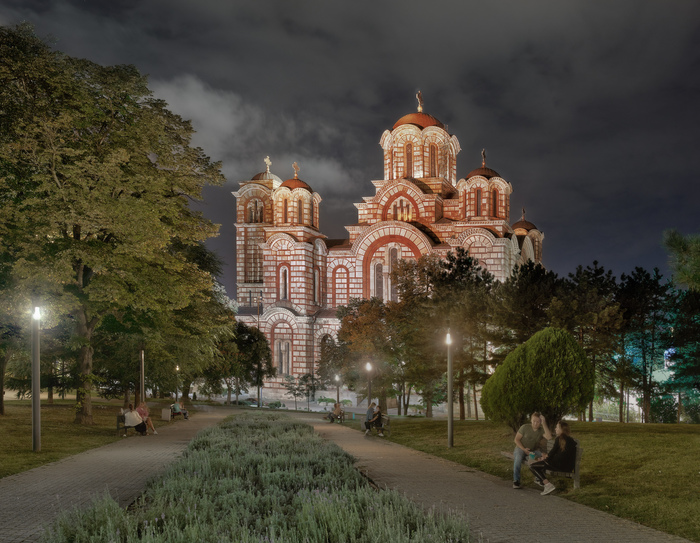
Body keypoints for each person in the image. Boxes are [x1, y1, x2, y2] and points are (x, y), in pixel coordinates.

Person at [529, 420, 577, 495]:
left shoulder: (559, 439)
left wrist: (544, 458)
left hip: (557, 466)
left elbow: (551, 454)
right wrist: (545, 458)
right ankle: (540, 481)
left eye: (557, 427)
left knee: (532, 466)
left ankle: (547, 484)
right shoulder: (570, 440)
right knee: (539, 464)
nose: (555, 429)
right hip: (567, 467)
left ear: (562, 429)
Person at [512, 412, 552, 489]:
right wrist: (524, 449)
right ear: (531, 420)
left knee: (542, 456)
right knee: (518, 458)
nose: (535, 423)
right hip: (520, 448)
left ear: (540, 422)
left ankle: (538, 478)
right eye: (534, 421)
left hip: (531, 451)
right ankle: (516, 481)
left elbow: (549, 437)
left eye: (538, 421)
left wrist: (544, 423)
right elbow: (516, 440)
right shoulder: (525, 427)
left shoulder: (541, 430)